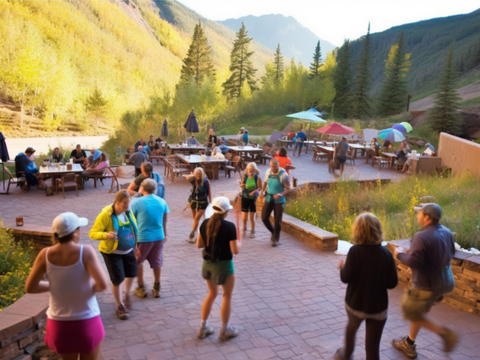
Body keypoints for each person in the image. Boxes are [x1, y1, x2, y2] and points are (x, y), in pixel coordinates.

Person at [25, 212, 107, 360]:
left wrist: (56, 286)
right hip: (86, 322)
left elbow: (30, 287)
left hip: (59, 325)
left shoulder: (45, 254)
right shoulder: (85, 251)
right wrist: (80, 287)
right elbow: (102, 285)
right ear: (75, 232)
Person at [392, 203, 458, 358]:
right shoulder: (447, 232)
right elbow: (449, 253)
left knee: (409, 310)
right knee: (417, 311)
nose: (417, 216)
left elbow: (415, 262)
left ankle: (445, 334)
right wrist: (414, 252)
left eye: (419, 213)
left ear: (427, 217)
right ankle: (409, 343)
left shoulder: (421, 236)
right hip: (445, 282)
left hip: (426, 285)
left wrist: (399, 254)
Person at [335, 213, 398, 360]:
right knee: (372, 348)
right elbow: (392, 283)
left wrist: (342, 268)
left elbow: (346, 278)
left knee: (351, 329)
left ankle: (346, 355)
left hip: (355, 305)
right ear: (377, 230)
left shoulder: (355, 252)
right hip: (378, 308)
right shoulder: (386, 254)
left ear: (357, 231)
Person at [196, 196, 241, 340]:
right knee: (226, 296)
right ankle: (225, 330)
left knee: (211, 294)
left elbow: (199, 245)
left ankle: (203, 327)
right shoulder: (229, 227)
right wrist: (239, 243)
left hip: (207, 265)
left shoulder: (205, 223)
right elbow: (235, 250)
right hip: (224, 266)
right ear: (226, 211)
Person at [89, 190, 138, 320]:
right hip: (112, 252)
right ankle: (120, 305)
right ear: (116, 202)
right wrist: (105, 235)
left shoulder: (128, 212)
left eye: (129, 203)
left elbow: (134, 228)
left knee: (132, 273)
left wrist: (136, 244)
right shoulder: (106, 215)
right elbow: (92, 233)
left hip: (128, 249)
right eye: (124, 203)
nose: (127, 206)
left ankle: (125, 293)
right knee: (117, 279)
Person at [130, 179, 169, 299]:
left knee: (138, 261)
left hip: (143, 237)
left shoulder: (136, 202)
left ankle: (141, 287)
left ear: (142, 187)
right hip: (158, 236)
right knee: (157, 262)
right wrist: (165, 234)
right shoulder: (162, 201)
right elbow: (164, 220)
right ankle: (157, 286)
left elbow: (131, 220)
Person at [260, 159, 290, 246]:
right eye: (271, 166)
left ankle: (275, 238)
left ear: (278, 165)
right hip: (269, 198)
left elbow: (288, 189)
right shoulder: (268, 172)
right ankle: (274, 232)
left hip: (279, 201)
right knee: (264, 218)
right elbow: (265, 181)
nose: (272, 168)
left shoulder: (283, 175)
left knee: (277, 220)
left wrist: (280, 194)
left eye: (274, 166)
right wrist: (262, 191)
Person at [186, 167, 212, 243]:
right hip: (194, 202)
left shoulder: (206, 181)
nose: (198, 175)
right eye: (196, 173)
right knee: (195, 220)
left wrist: (211, 202)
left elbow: (209, 192)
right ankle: (201, 233)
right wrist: (193, 175)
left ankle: (192, 234)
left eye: (199, 174)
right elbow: (187, 177)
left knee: (197, 219)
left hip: (202, 202)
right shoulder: (193, 180)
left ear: (202, 174)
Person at [240, 162, 262, 238]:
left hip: (253, 199)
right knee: (244, 217)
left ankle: (252, 231)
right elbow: (241, 184)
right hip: (245, 197)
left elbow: (260, 188)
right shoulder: (245, 176)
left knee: (252, 217)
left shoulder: (257, 178)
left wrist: (254, 192)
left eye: (252, 170)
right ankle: (244, 227)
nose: (250, 171)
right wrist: (242, 185)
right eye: (249, 169)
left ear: (254, 170)